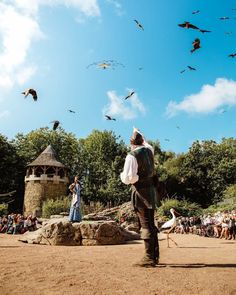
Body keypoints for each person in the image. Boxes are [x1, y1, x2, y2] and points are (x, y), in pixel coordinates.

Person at [120, 127, 159, 267]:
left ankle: (149, 257)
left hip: (141, 192)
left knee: (146, 224)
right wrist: (139, 132)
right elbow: (148, 145)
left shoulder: (132, 155)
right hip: (152, 191)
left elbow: (128, 178)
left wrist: (122, 176)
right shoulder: (150, 151)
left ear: (131, 143)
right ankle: (154, 256)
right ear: (143, 141)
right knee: (151, 223)